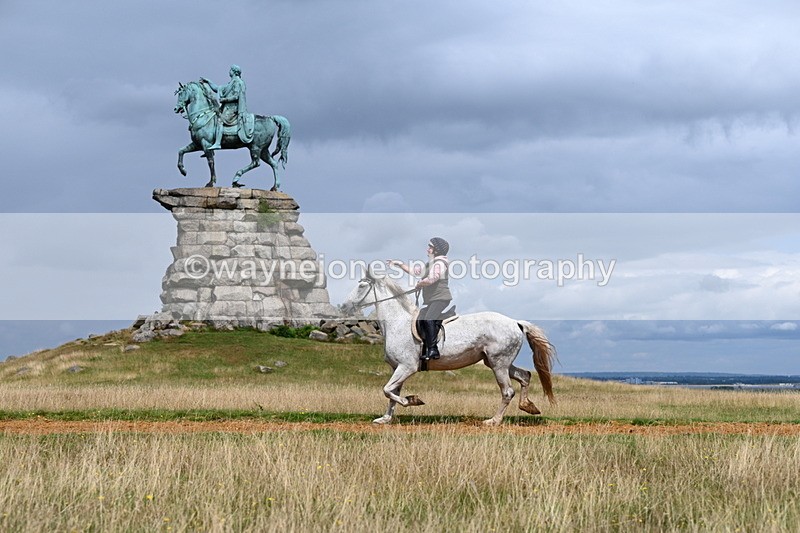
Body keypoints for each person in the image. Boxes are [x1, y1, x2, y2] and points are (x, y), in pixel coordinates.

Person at [387, 237, 452, 360]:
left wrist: (420, 284)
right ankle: (426, 348)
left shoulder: (440, 263)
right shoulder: (431, 263)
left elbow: (432, 278)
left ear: (436, 250)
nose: (428, 249)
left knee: (428, 319)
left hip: (440, 298)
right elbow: (416, 272)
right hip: (434, 299)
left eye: (430, 247)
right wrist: (399, 264)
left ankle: (433, 350)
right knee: (421, 318)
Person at [199, 64, 253, 149]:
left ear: (234, 72)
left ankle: (217, 143)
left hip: (233, 109)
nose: (229, 72)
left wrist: (225, 100)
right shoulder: (231, 83)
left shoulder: (238, 82)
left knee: (219, 120)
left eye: (230, 70)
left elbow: (236, 96)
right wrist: (208, 82)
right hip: (227, 108)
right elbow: (217, 88)